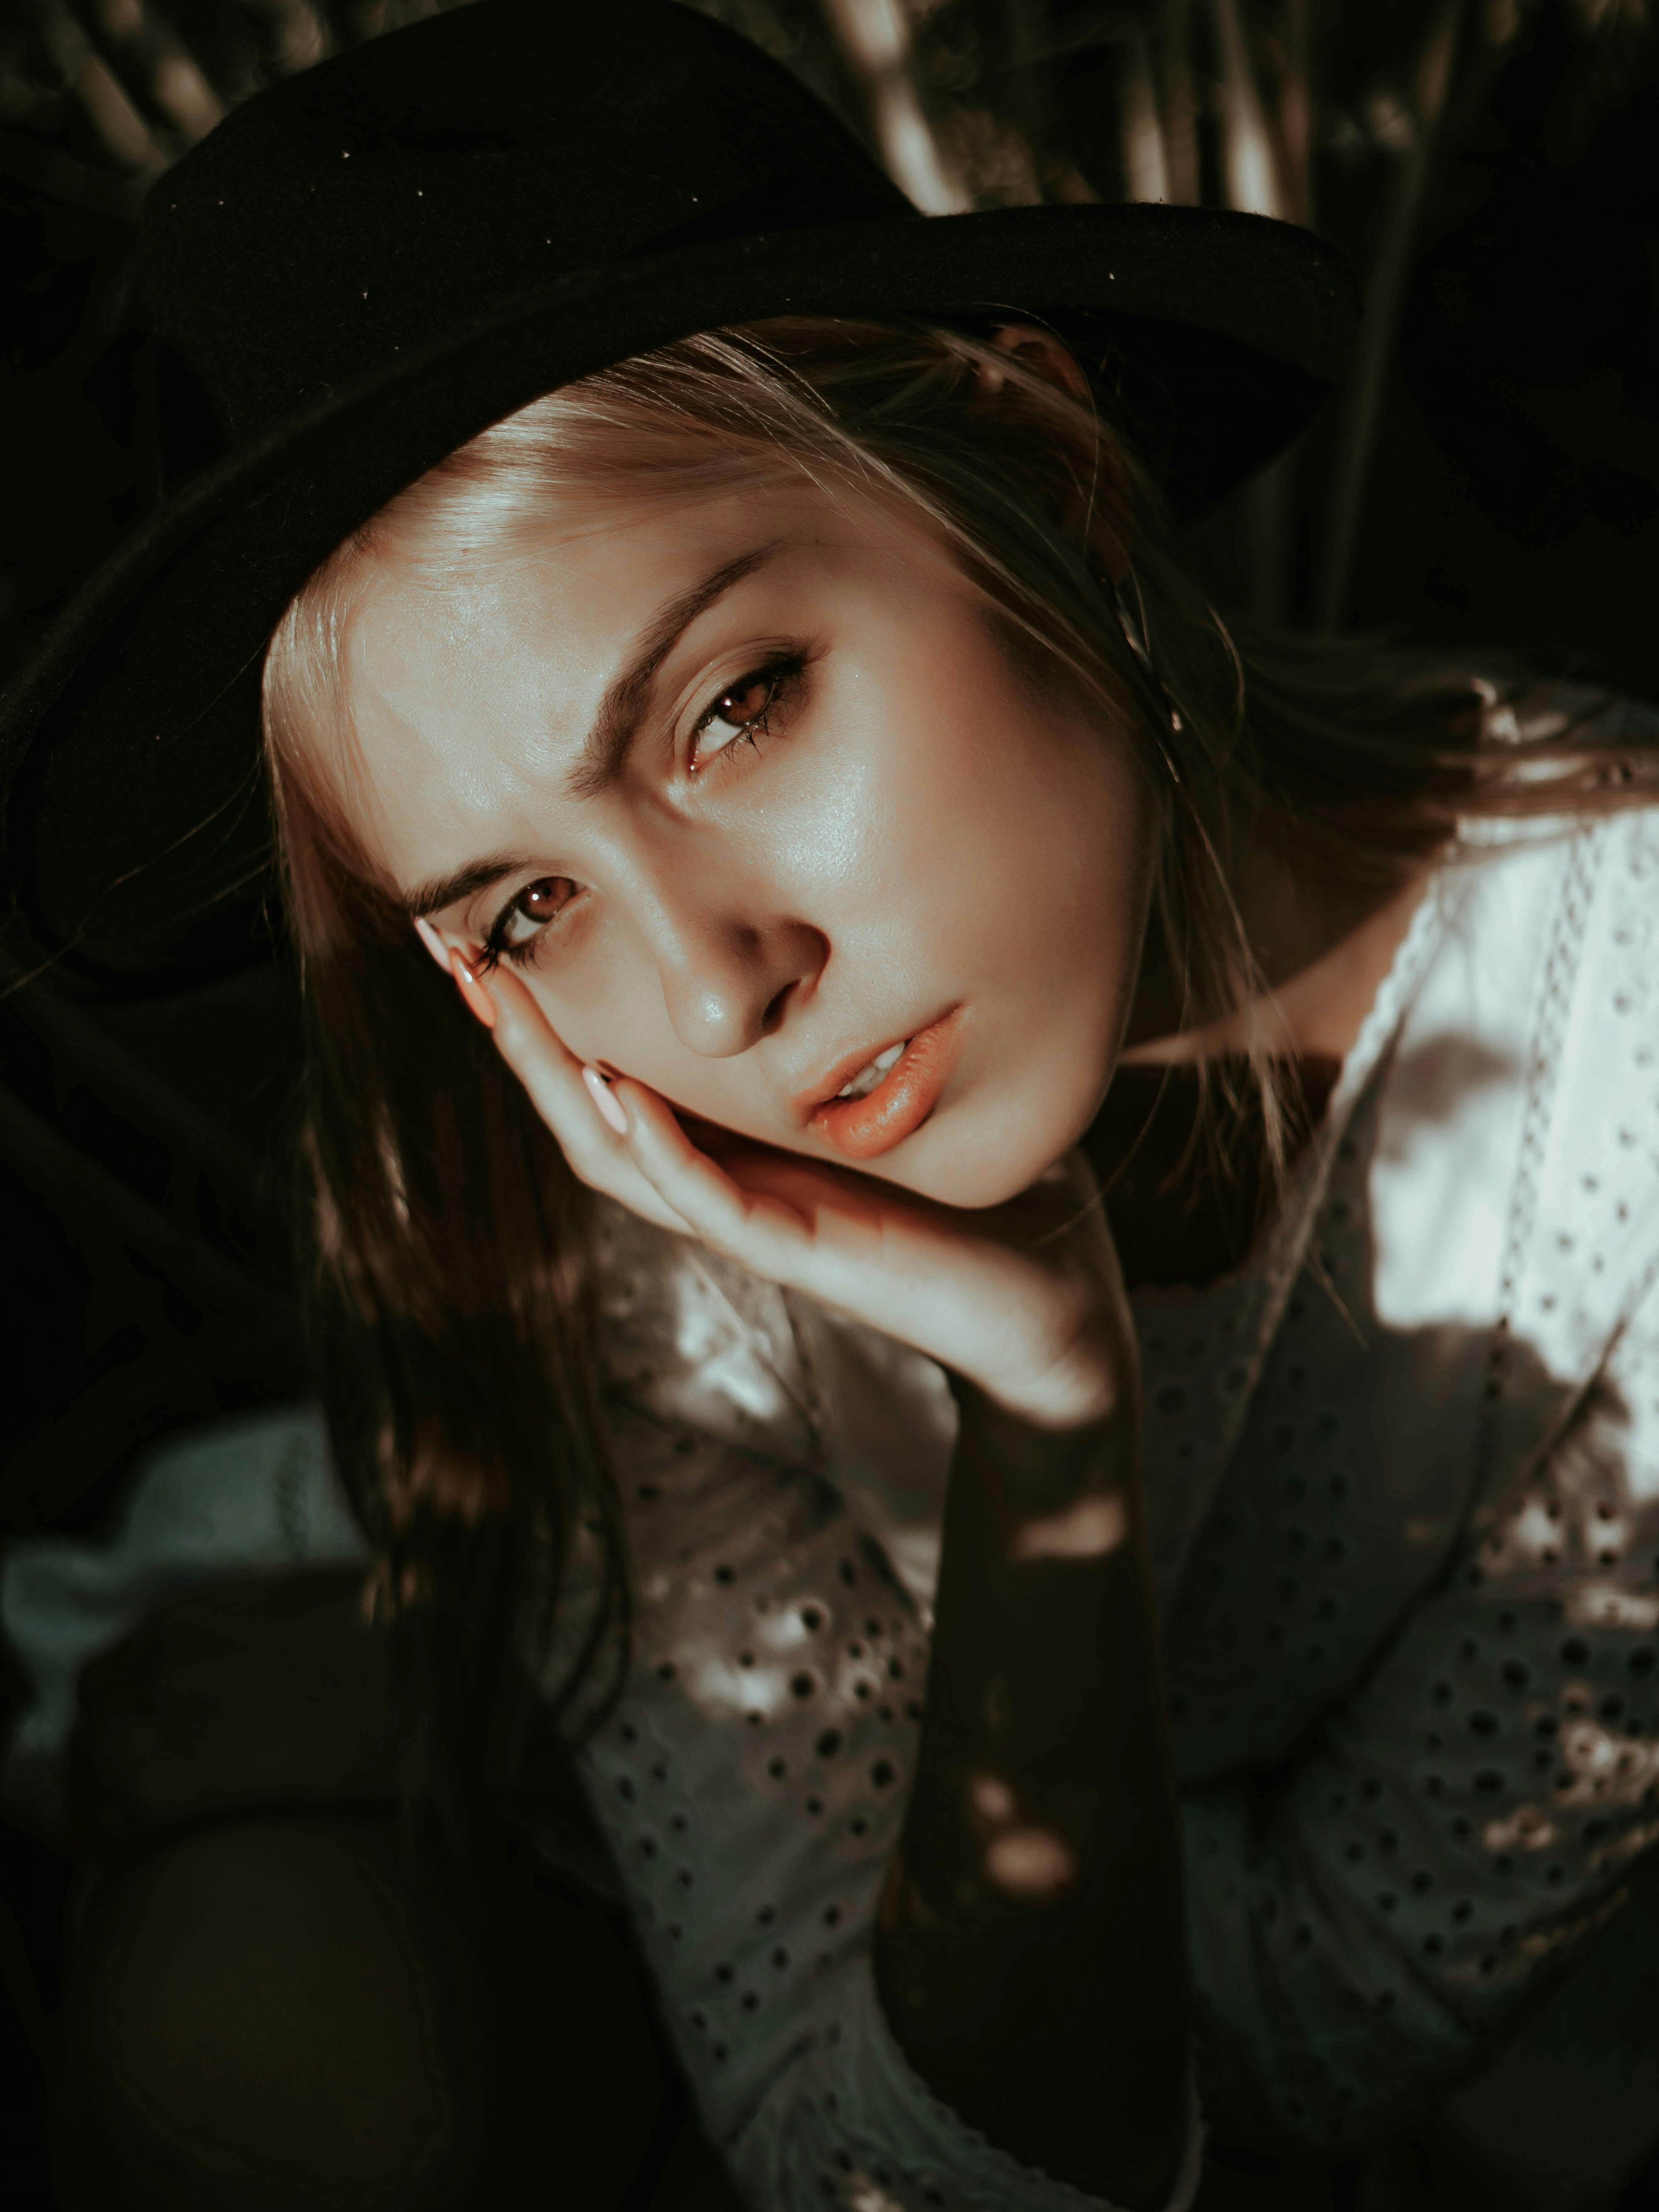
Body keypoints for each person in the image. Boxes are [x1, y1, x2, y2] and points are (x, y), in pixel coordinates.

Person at [3, 3, 1658, 2207]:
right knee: (262, 2047)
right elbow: (865, 2160)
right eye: (521, 907)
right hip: (453, 1606)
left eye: (737, 707)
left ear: (1047, 466)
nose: (709, 986)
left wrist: (1043, 1407)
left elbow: (1273, 2038)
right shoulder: (623, 1209)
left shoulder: (1628, 1047)